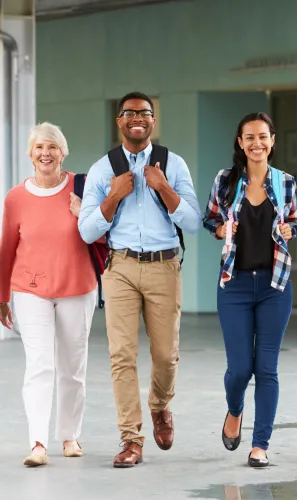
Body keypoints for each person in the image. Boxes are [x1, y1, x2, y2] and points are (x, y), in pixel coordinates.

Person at [78, 91, 202, 468]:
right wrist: (113, 197)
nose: (137, 118)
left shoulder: (173, 164)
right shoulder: (104, 169)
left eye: (145, 113)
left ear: (153, 120)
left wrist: (163, 187)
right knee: (121, 356)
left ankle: (160, 406)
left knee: (166, 355)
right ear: (119, 121)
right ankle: (131, 439)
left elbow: (194, 222)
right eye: (129, 113)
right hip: (121, 268)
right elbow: (86, 230)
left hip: (165, 266)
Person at [203, 112, 297, 468]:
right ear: (240, 143)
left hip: (275, 284)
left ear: (272, 140)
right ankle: (234, 409)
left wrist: (291, 230)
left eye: (263, 136)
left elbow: (293, 221)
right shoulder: (226, 181)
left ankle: (260, 444)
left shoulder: (285, 182)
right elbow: (210, 219)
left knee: (267, 369)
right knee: (240, 369)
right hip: (235, 285)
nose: (257, 143)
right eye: (250, 137)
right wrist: (224, 231)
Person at [0, 122, 97, 466]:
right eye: (40, 147)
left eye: (52, 147)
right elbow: (7, 248)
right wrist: (1, 295)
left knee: (73, 367)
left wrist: (84, 213)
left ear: (63, 152)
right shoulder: (15, 198)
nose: (46, 153)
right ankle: (38, 443)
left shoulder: (83, 189)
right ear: (30, 154)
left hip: (77, 286)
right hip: (30, 290)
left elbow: (104, 238)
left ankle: (70, 437)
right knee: (39, 366)